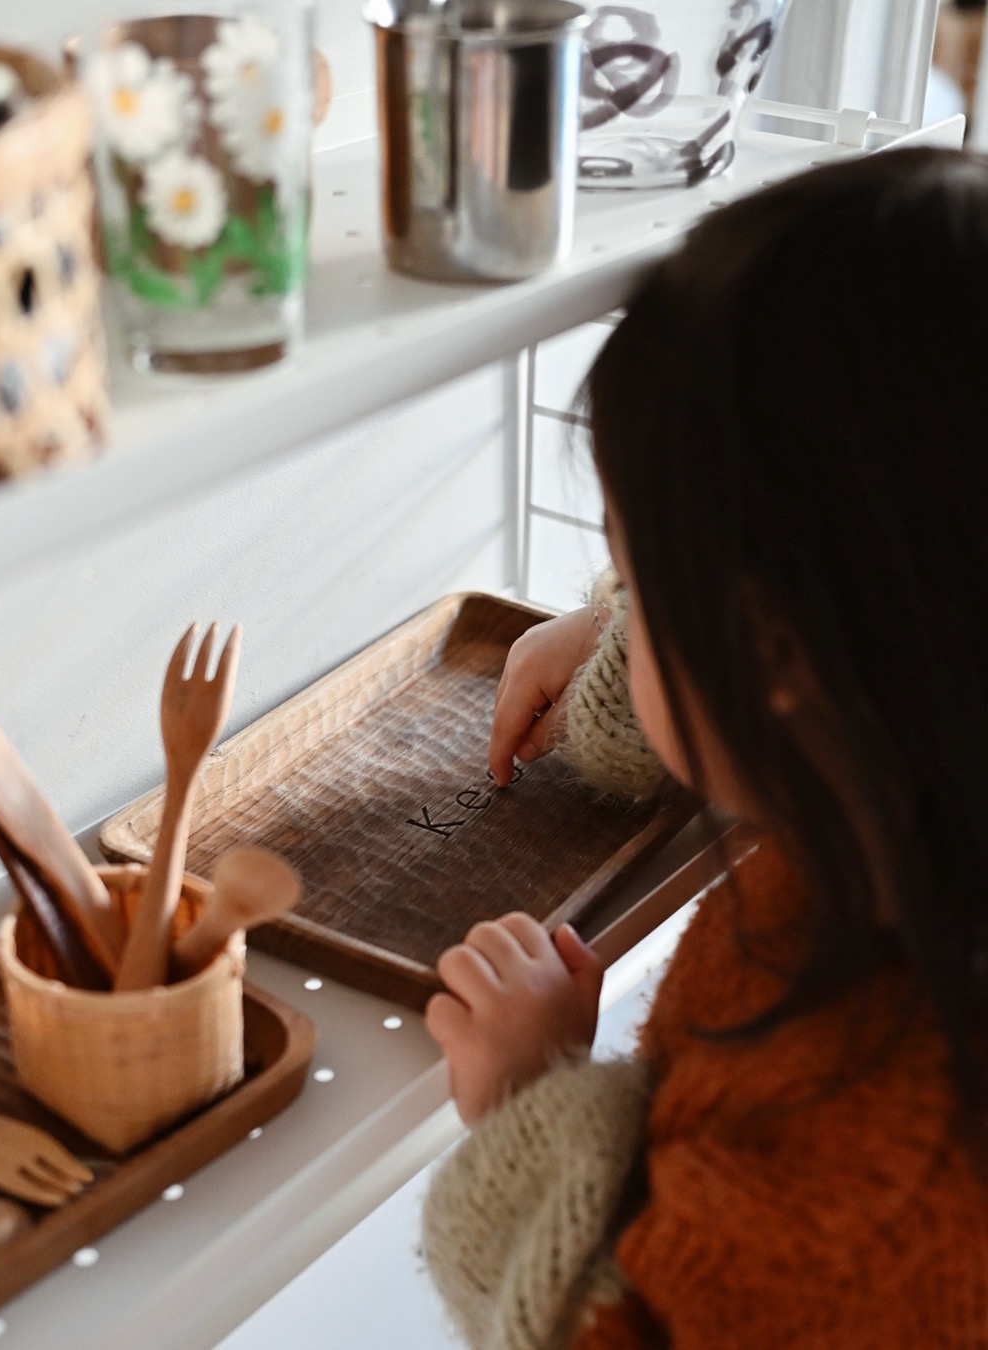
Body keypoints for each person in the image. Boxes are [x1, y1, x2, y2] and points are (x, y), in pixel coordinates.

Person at [419, 145, 988, 1348]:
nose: (617, 599)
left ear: (777, 648)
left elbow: (615, 1324)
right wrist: (622, 636)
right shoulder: (913, 773)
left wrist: (535, 1112)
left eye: (635, 573)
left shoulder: (863, 1197)